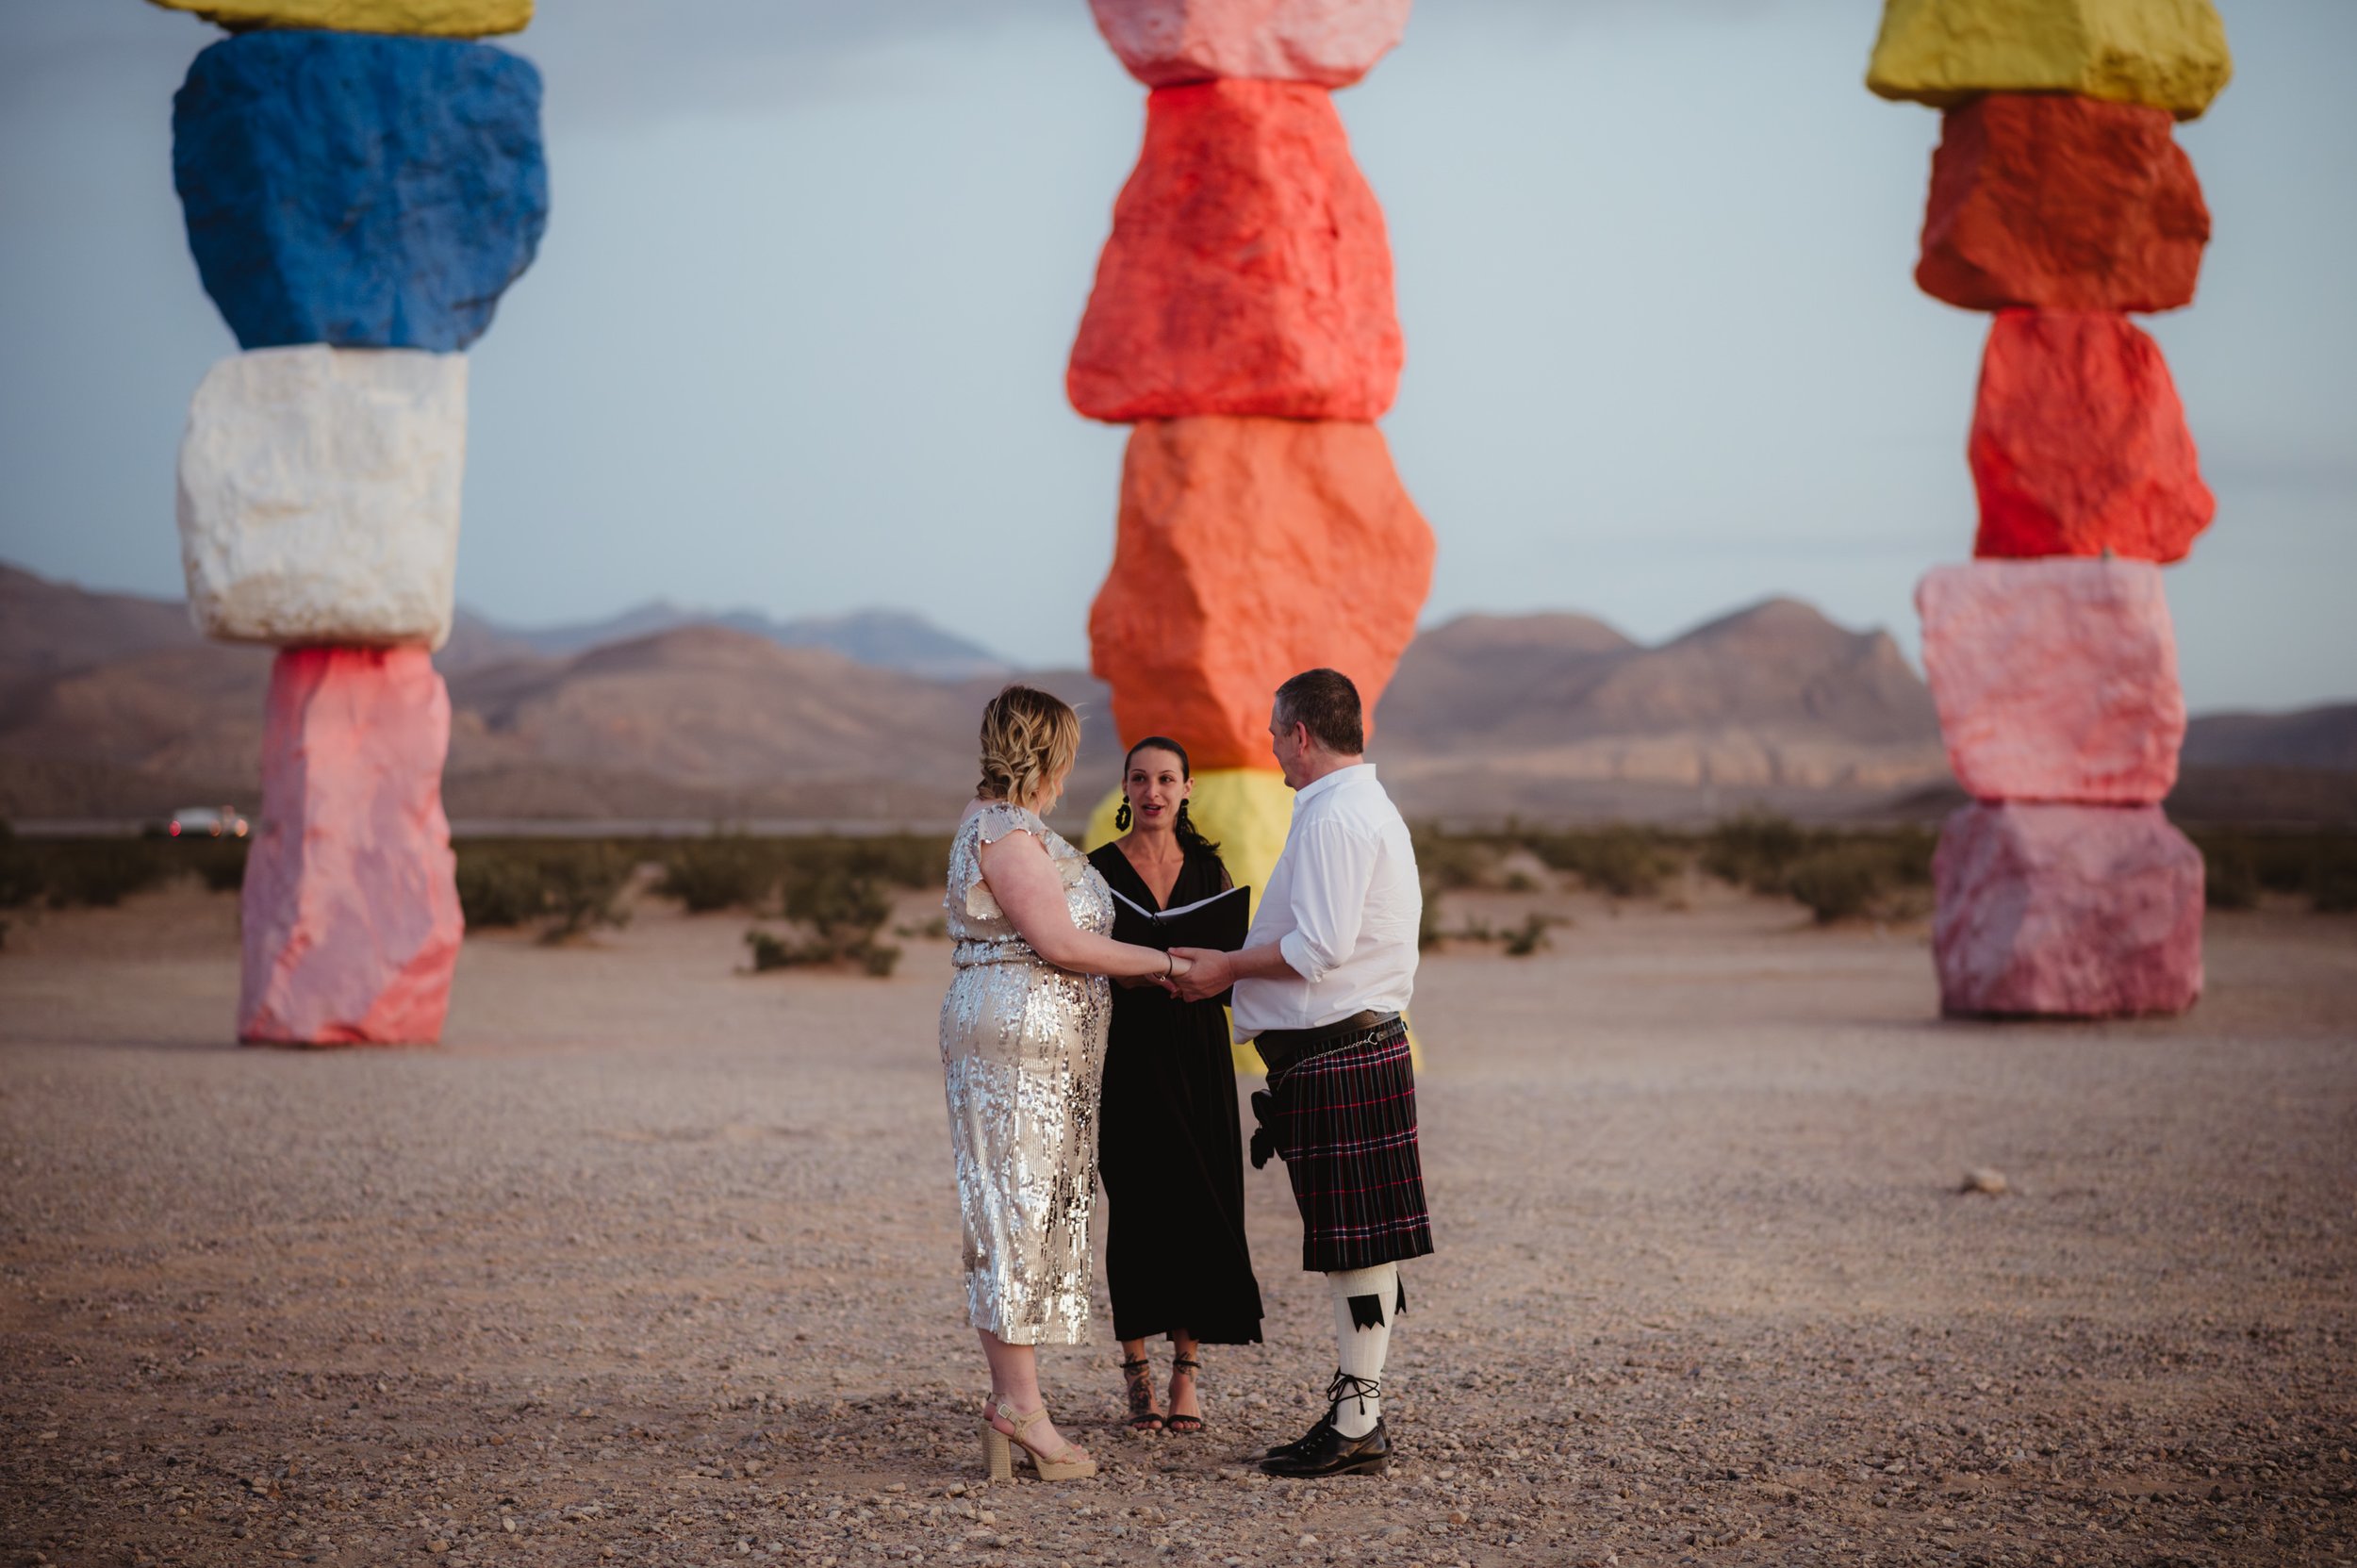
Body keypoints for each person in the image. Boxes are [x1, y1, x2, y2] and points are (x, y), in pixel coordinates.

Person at [1170, 668, 1432, 1479]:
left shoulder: (1336, 818)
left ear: (1303, 735)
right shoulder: (1355, 807)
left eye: (1276, 731)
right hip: (1349, 1051)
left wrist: (1224, 971)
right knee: (1362, 1245)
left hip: (1339, 1054)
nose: (1271, 746)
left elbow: (1317, 948)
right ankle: (1362, 1411)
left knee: (1356, 1249)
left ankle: (1358, 1417)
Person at [940, 685, 1196, 1484]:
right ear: (1047, 749)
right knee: (1012, 1207)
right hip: (1015, 1044)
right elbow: (1058, 940)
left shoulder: (1014, 827)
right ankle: (1019, 1407)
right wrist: (1167, 964)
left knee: (1022, 1203)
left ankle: (1015, 1401)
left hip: (1037, 1052)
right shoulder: (1005, 829)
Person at [1086, 737, 1264, 1436]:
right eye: (1139, 778)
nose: (1152, 790)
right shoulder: (1096, 871)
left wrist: (1205, 968)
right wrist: (1123, 970)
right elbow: (1073, 962)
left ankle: (1186, 1374)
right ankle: (1137, 1379)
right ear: (1126, 788)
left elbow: (1227, 964)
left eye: (1165, 778)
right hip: (1125, 1052)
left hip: (1197, 1050)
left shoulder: (1212, 870)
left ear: (1188, 787)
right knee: (1134, 1204)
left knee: (1198, 1200)